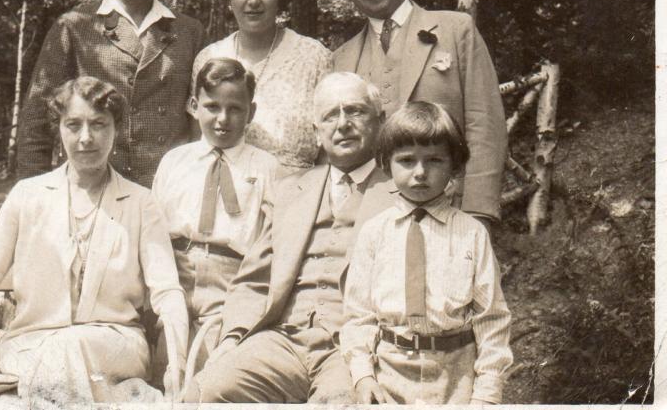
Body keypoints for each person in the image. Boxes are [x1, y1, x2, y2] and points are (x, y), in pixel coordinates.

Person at [0, 77, 189, 405]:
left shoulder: (141, 203)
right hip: (30, 344)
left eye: (99, 124)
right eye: (74, 125)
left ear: (117, 128)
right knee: (57, 354)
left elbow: (167, 291)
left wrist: (177, 361)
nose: (86, 137)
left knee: (71, 347)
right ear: (59, 128)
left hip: (113, 346)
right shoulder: (28, 196)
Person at [183, 72, 395, 403]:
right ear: (316, 132)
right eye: (330, 115)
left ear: (379, 121)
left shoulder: (400, 196)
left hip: (353, 349)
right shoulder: (292, 190)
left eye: (355, 111)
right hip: (283, 339)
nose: (343, 124)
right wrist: (231, 339)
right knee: (214, 388)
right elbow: (254, 279)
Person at [340, 101, 512, 405]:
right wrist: (363, 375)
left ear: (455, 166)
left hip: (457, 377)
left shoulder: (472, 234)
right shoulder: (374, 232)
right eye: (407, 160)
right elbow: (358, 315)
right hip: (388, 374)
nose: (420, 172)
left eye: (434, 160)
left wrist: (487, 395)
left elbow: (492, 320)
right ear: (386, 164)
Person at [332, 0, 507, 225]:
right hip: (370, 223)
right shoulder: (340, 60)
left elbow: (485, 125)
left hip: (452, 213)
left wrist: (478, 214)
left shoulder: (455, 30)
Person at [17, 0, 206, 188]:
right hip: (92, 194)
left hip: (169, 193)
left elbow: (204, 124)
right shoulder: (74, 26)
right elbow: (36, 123)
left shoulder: (189, 32)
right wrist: (34, 198)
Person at [151, 58, 278, 373]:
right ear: (194, 105)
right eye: (212, 107)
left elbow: (270, 241)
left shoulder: (266, 168)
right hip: (175, 273)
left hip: (232, 280)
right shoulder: (174, 162)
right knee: (166, 362)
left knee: (216, 368)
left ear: (252, 112)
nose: (223, 119)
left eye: (235, 109)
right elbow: (153, 232)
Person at [193, 0, 332, 175]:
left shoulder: (314, 57)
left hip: (299, 199)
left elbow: (330, 148)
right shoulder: (208, 58)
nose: (253, 0)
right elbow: (196, 144)